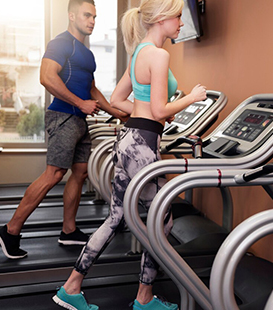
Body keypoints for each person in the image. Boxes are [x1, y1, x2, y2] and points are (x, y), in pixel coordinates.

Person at [52, 0, 207, 309]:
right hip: (143, 144)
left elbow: (117, 100)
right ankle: (144, 298)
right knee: (161, 221)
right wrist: (191, 98)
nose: (181, 23)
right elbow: (161, 108)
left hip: (129, 138)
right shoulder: (160, 55)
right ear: (162, 18)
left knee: (117, 217)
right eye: (178, 16)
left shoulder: (139, 53)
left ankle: (72, 287)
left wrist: (148, 113)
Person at [0, 0, 128, 260]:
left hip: (80, 120)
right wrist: (80, 103)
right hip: (63, 116)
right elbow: (46, 76)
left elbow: (91, 90)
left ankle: (68, 230)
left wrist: (118, 113)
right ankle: (10, 231)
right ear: (72, 15)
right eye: (87, 15)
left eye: (95, 17)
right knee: (54, 174)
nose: (92, 20)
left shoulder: (87, 53)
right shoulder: (61, 43)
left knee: (80, 172)